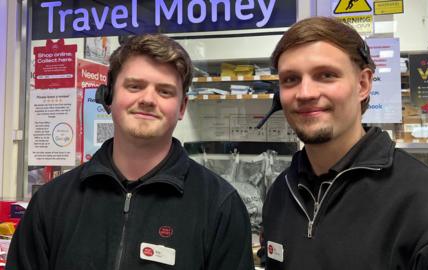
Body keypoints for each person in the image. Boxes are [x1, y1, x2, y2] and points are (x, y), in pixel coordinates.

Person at [7, 34, 254, 270]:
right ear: (109, 96)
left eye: (165, 91)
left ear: (181, 107)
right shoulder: (52, 202)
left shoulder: (220, 207)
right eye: (135, 86)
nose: (148, 99)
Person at [261, 17, 428, 269]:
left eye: (326, 75)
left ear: (363, 84)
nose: (306, 93)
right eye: (291, 79)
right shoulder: (281, 193)